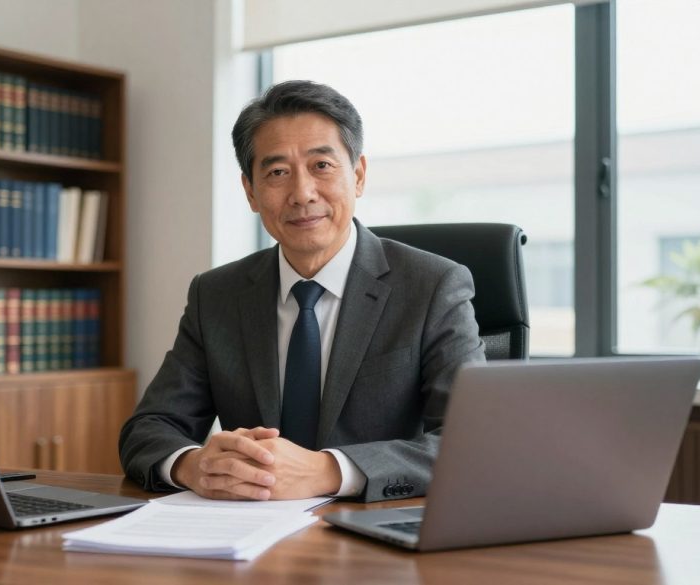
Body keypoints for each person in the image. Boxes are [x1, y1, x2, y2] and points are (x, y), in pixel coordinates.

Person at [119, 80, 485, 502]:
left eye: (322, 166)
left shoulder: (432, 286)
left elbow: (469, 444)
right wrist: (193, 464)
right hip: (246, 538)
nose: (302, 193)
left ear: (359, 175)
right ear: (250, 192)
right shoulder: (216, 295)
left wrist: (330, 471)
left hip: (378, 538)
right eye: (277, 173)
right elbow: (147, 429)